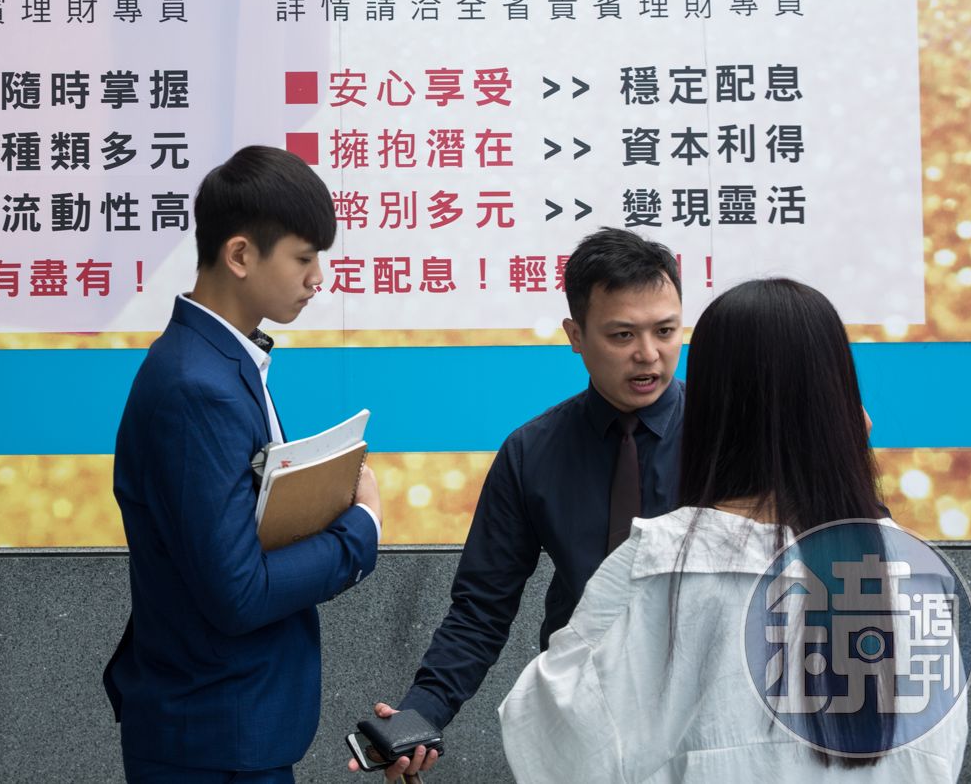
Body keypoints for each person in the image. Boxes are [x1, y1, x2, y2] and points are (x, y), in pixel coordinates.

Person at [498, 278, 968, 781]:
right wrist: (853, 473)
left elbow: (548, 736)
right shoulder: (911, 571)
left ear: (710, 406)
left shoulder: (657, 560)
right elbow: (940, 756)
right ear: (842, 402)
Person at [355, 227, 685, 780]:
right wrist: (420, 715)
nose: (648, 354)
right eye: (622, 334)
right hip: (583, 720)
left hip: (701, 715)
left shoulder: (731, 440)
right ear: (576, 335)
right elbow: (481, 610)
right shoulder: (532, 452)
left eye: (665, 330)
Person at [105, 145, 383, 784]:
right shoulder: (196, 387)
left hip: (222, 724)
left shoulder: (222, 361)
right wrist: (360, 530)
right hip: (212, 735)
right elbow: (237, 592)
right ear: (239, 255)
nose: (318, 278)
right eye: (304, 258)